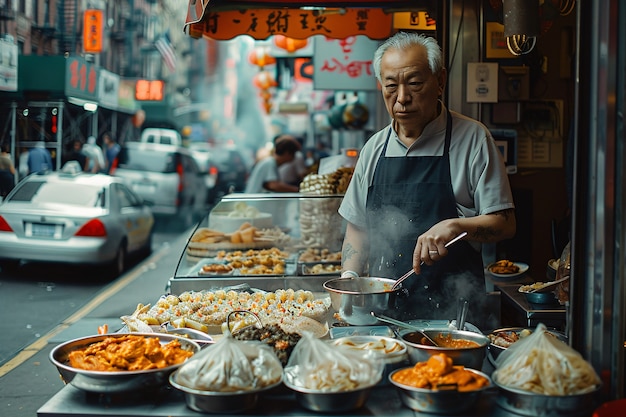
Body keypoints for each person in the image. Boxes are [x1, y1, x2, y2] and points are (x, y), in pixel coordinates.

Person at [338, 32, 516, 327]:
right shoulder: (374, 148)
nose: (402, 98)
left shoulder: (473, 139)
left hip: (454, 316)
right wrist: (350, 278)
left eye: (415, 84)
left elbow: (505, 223)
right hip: (382, 316)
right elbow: (357, 228)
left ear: (440, 81)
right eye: (391, 86)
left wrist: (455, 225)